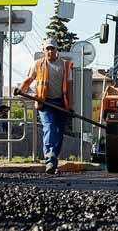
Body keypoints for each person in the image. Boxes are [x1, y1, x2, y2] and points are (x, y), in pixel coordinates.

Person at [16, 38, 74, 174]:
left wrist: (70, 105)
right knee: (49, 127)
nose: (50, 51)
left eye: (52, 48)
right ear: (43, 50)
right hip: (45, 102)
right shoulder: (38, 64)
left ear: (56, 50)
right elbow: (29, 80)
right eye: (47, 48)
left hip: (61, 103)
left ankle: (54, 157)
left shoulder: (65, 66)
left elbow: (70, 87)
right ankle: (49, 159)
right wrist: (20, 90)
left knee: (59, 133)